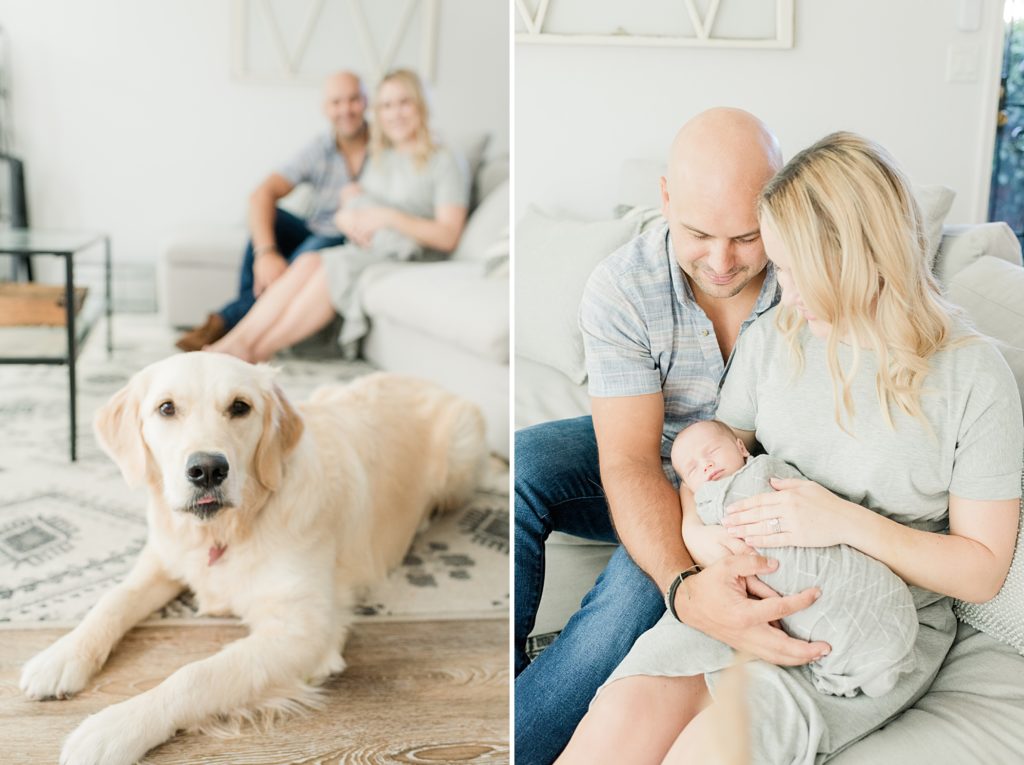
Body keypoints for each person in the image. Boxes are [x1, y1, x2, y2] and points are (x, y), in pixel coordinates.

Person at [557, 132, 1023, 764]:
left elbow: (983, 568)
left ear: (859, 255)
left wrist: (842, 522)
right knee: (612, 724)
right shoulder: (779, 336)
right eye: (780, 266)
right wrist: (700, 538)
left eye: (799, 271)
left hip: (855, 628)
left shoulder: (973, 377)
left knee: (701, 753)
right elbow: (708, 462)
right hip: (745, 595)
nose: (784, 290)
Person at [514, 108, 829, 765]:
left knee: (629, 593)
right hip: (653, 457)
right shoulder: (623, 287)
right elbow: (628, 461)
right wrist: (687, 585)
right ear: (664, 199)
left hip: (737, 487)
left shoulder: (809, 275)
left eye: (746, 236)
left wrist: (683, 560)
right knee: (527, 461)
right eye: (698, 233)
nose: (721, 262)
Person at [206, 69, 469, 363]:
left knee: (333, 266)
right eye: (387, 106)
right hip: (371, 246)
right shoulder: (383, 155)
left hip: (409, 254)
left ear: (420, 104)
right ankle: (236, 340)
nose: (395, 114)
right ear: (378, 112)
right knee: (307, 261)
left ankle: (254, 351)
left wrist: (386, 216)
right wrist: (347, 218)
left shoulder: (444, 160)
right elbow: (356, 201)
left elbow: (448, 235)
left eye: (404, 102)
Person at [671, 418, 918, 698]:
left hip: (832, 551)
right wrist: (693, 530)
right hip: (779, 584)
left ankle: (879, 633)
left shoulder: (765, 471)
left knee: (849, 578)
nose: (706, 465)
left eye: (712, 451)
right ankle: (853, 660)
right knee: (808, 609)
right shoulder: (705, 509)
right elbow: (692, 498)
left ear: (741, 447)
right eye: (693, 468)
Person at [175, 70, 369, 352]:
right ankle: (238, 321)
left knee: (316, 249)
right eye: (337, 102)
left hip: (349, 238)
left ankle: (226, 322)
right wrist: (265, 253)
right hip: (316, 229)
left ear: (366, 101)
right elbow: (261, 194)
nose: (346, 110)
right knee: (270, 220)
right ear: (325, 108)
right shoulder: (320, 148)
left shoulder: (386, 147)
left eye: (354, 100)